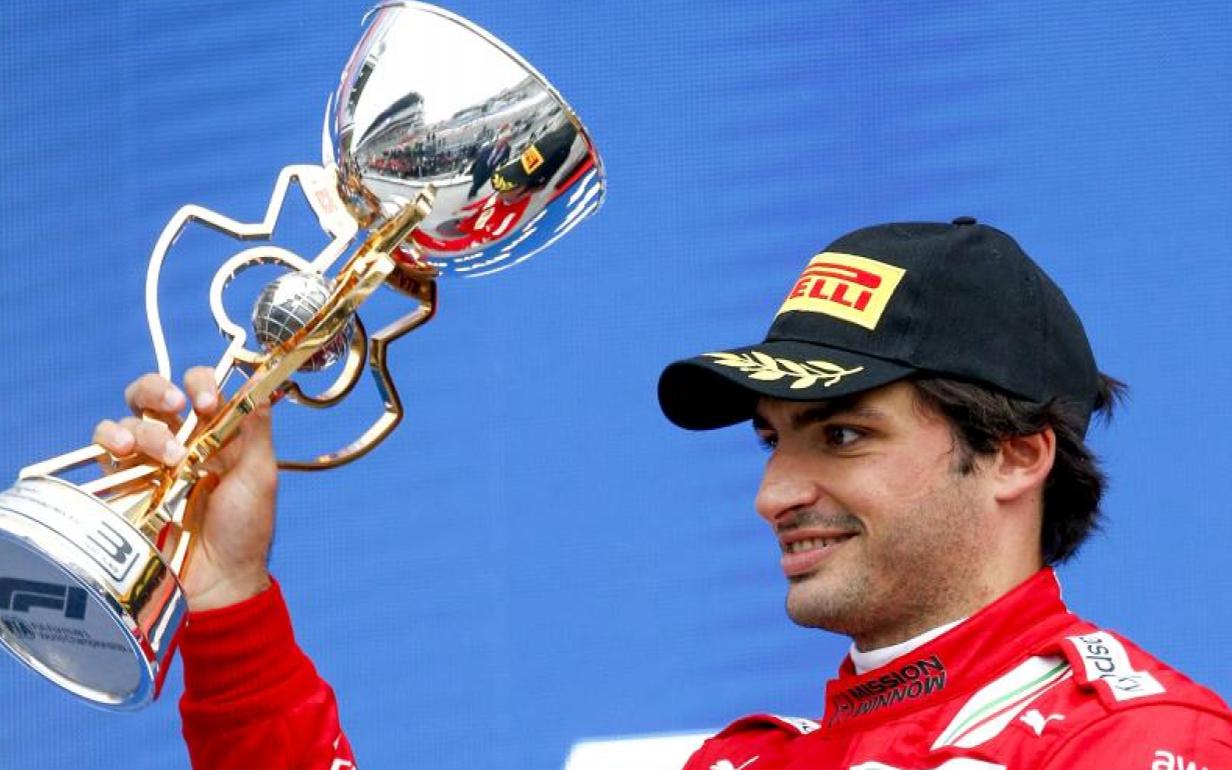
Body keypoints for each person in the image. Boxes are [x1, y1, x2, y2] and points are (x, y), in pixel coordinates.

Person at [94, 218, 1231, 769]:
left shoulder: (1137, 742)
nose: (776, 492)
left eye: (843, 434)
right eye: (772, 441)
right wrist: (232, 593)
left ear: (1020, 456)